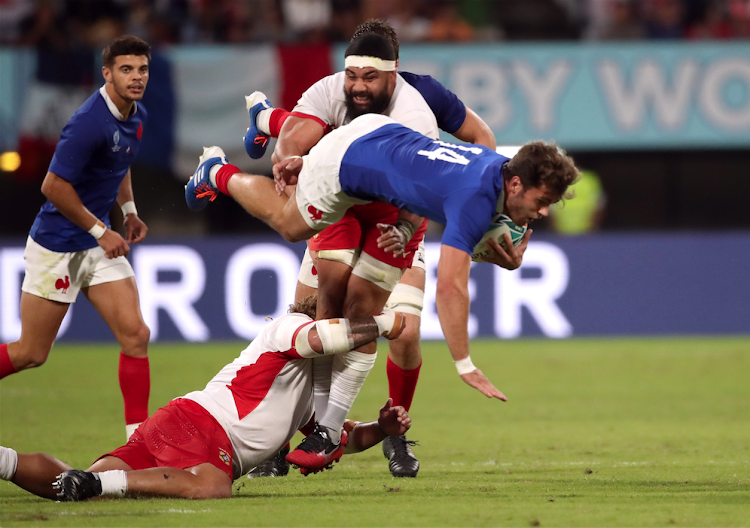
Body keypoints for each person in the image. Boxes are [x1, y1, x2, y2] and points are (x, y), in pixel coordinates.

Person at [185, 113, 580, 472]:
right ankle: (219, 172)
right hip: (345, 171)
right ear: (515, 184)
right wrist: (464, 363)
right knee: (294, 239)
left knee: (364, 317)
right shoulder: (475, 195)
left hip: (387, 196)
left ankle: (329, 432)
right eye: (543, 201)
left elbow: (455, 201)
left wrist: (495, 256)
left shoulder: (495, 170)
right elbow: (452, 286)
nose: (544, 212)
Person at [242, 19, 501, 479]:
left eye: (370, 77)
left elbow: (472, 148)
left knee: (403, 335)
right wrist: (285, 161)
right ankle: (284, 442)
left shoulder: (422, 106)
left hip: (397, 219)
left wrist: (474, 200)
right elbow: (294, 143)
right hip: (338, 208)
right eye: (352, 76)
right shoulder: (330, 91)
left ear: (394, 71)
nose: (359, 87)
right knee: (308, 324)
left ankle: (395, 434)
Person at [0, 296, 410, 501]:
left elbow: (339, 437)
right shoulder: (293, 326)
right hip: (209, 429)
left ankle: (6, 461)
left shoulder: (319, 388)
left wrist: (382, 429)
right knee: (213, 485)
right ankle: (100, 481)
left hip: (183, 420)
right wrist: (383, 323)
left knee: (67, 486)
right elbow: (320, 338)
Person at [0, 35, 152, 440]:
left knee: (136, 335)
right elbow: (52, 186)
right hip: (59, 245)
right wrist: (102, 230)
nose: (136, 77)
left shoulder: (136, 115)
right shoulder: (89, 122)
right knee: (31, 353)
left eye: (142, 69)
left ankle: (139, 444)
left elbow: (119, 165)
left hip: (96, 241)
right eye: (126, 69)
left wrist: (130, 212)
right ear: (107, 74)